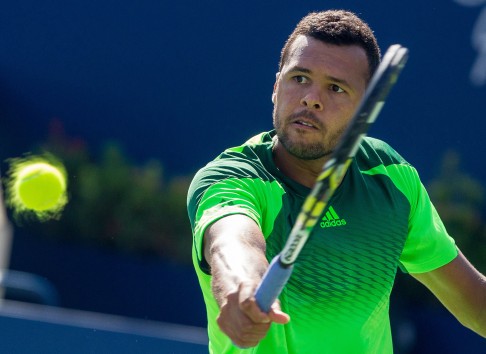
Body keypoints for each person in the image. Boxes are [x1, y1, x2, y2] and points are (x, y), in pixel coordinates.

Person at [187, 9, 486, 353]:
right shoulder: (232, 178)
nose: (311, 98)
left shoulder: (389, 177)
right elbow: (231, 243)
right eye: (299, 78)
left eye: (335, 88)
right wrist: (243, 287)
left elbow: (475, 303)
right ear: (276, 86)